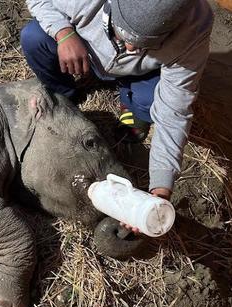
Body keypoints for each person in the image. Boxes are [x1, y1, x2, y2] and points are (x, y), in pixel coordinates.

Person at [20, 0, 214, 227]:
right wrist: (63, 34)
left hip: (145, 71)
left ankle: (131, 97)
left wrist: (161, 187)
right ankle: (66, 94)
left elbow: (175, 111)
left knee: (152, 103)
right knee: (34, 38)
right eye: (121, 35)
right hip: (85, 47)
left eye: (144, 44)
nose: (130, 49)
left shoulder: (194, 27)